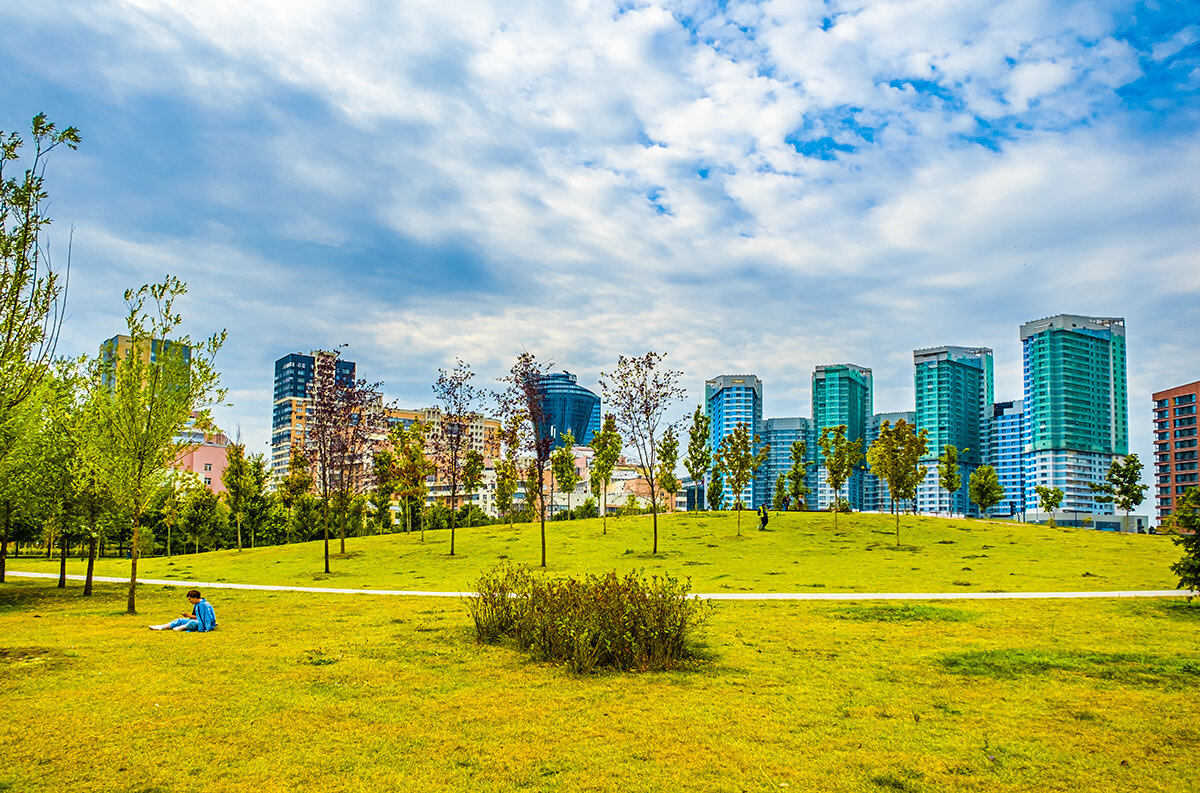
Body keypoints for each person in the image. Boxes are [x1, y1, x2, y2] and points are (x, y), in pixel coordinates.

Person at [149, 589, 217, 632]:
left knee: (192, 623)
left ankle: (181, 627)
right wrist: (188, 616)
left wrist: (190, 616)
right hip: (199, 621)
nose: (189, 601)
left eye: (190, 599)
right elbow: (199, 616)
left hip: (204, 624)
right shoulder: (198, 604)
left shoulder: (203, 605)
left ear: (195, 598)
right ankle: (161, 627)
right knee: (180, 620)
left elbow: (204, 619)